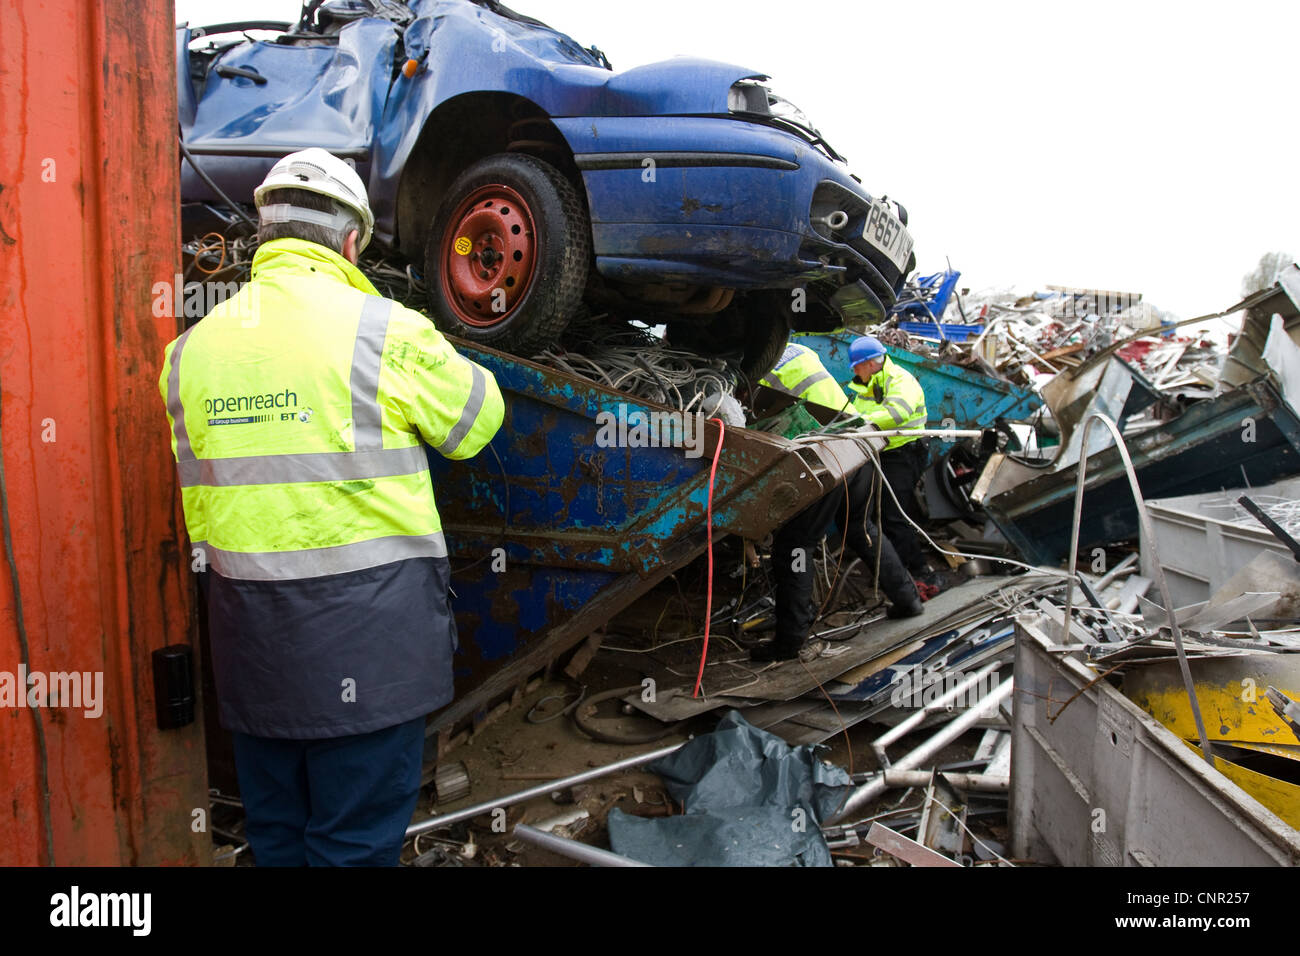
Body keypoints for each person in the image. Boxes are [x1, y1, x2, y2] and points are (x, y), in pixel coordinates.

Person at [159, 148, 504, 866]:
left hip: (251, 649)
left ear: (266, 234)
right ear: (351, 241)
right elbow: (476, 426)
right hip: (367, 650)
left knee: (278, 838)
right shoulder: (384, 331)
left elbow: (206, 500)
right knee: (352, 847)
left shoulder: (187, 354)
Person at [751, 344, 924, 663]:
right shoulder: (799, 351)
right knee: (862, 529)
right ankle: (908, 599)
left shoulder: (751, 366)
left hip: (824, 455)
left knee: (794, 546)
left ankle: (789, 642)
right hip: (857, 450)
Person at [845, 335, 931, 576]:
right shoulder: (867, 386)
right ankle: (897, 566)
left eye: (857, 366)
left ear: (871, 363)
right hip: (885, 453)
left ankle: (918, 571)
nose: (855, 372)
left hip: (904, 452)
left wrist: (858, 425)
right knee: (885, 513)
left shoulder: (900, 380)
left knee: (893, 516)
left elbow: (897, 413)